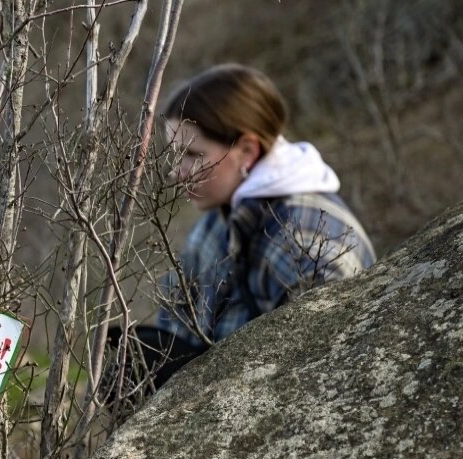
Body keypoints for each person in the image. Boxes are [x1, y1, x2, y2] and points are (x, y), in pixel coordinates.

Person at [108, 64, 375, 396]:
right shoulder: (218, 217)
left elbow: (328, 371)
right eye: (175, 155)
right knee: (122, 356)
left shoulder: (303, 242)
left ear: (247, 150)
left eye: (192, 154)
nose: (177, 172)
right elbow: (177, 318)